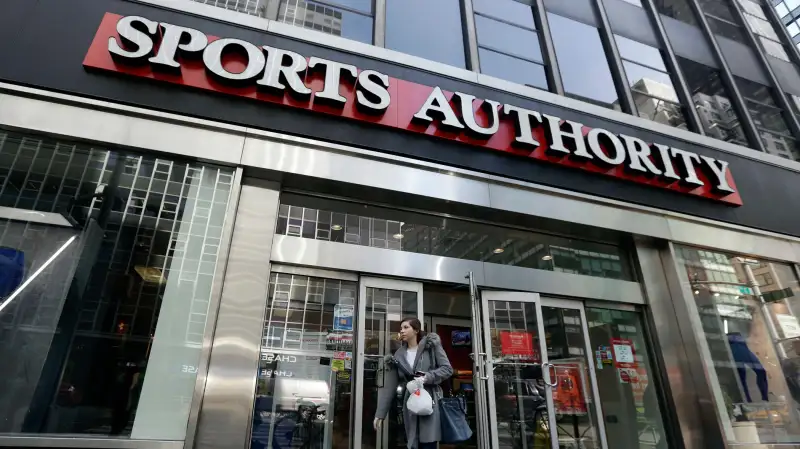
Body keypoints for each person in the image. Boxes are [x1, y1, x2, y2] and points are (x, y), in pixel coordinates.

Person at [374, 318, 453, 449]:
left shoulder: (431, 346)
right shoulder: (399, 355)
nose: (402, 331)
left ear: (416, 330)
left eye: (406, 327)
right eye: (401, 328)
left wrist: (428, 376)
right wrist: (380, 414)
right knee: (412, 442)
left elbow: (447, 369)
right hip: (410, 402)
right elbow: (390, 387)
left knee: (428, 442)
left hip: (430, 400)